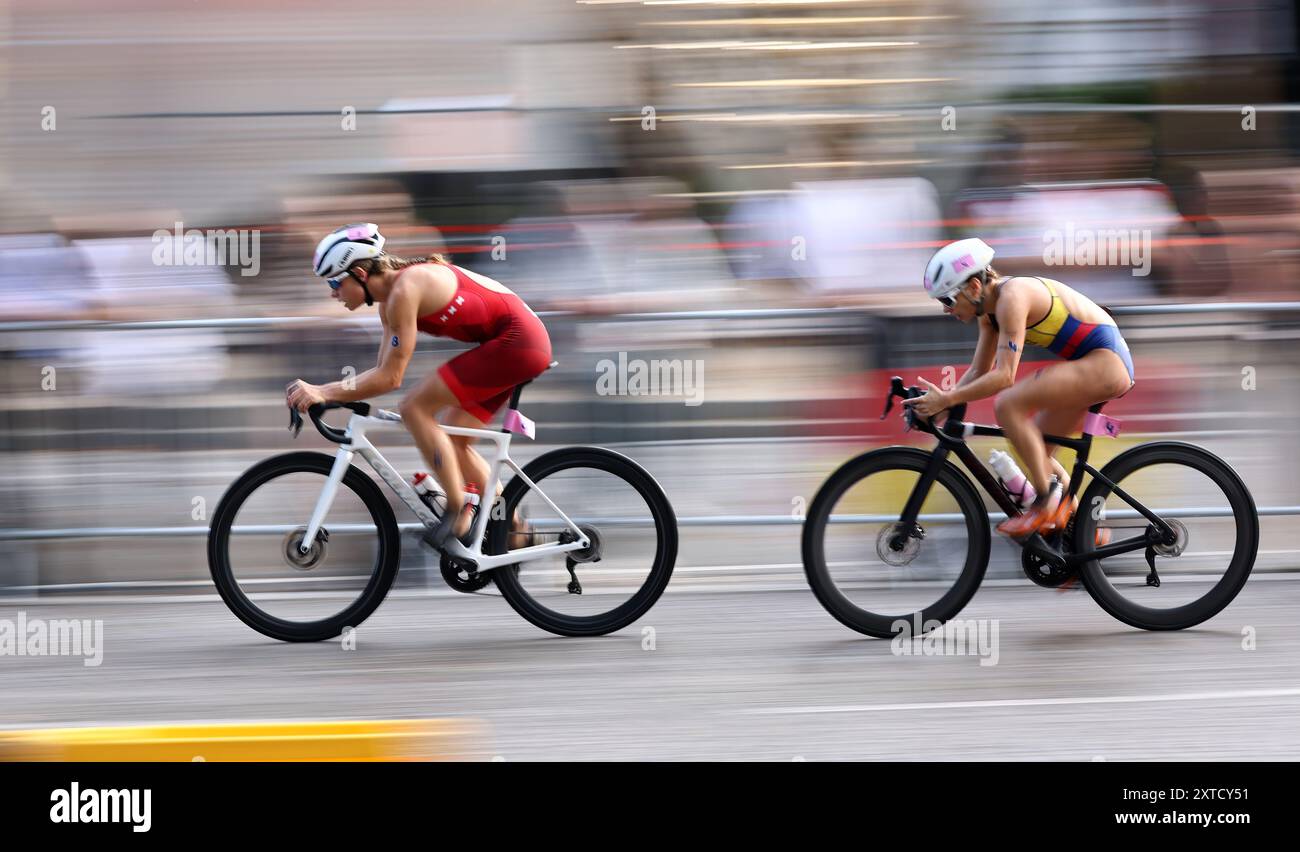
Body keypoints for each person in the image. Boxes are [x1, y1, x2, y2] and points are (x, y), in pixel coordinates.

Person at [285, 223, 552, 548]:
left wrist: (324, 391)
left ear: (359, 273)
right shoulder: (389, 303)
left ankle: (458, 510)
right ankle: (514, 529)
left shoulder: (405, 290)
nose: (332, 293)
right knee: (455, 440)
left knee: (415, 408)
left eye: (334, 282)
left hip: (517, 343)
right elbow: (382, 373)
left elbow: (391, 379)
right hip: (517, 343)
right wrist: (329, 393)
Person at [904, 238, 1135, 539]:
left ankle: (1046, 504)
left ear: (974, 287)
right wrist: (941, 408)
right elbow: (978, 371)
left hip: (1106, 363)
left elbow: (1004, 376)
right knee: (1036, 449)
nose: (945, 310)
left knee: (1007, 404)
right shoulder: (988, 314)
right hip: (1093, 364)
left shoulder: (1012, 297)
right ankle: (1088, 538)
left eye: (947, 299)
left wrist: (947, 398)